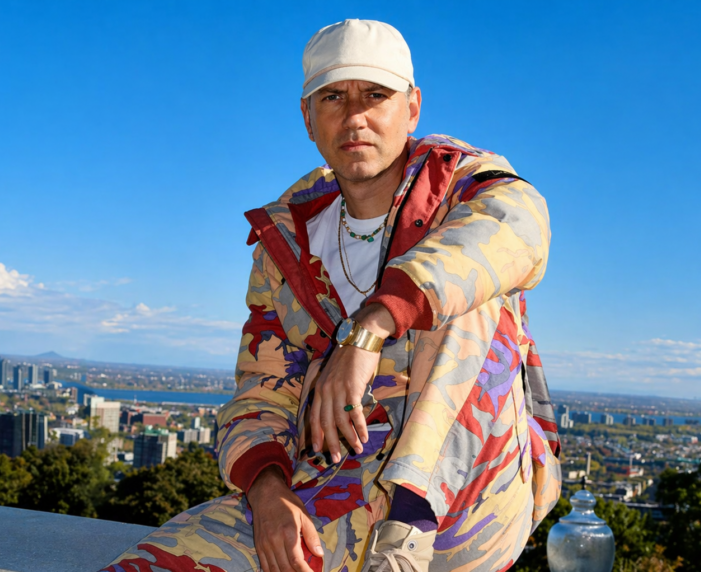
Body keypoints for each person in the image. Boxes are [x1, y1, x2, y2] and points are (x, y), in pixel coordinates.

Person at [101, 19, 561, 572]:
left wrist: (370, 328)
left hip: (469, 509)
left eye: (375, 95)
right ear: (308, 118)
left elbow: (521, 228)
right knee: (152, 563)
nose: (355, 116)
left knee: (466, 287)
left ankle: (408, 525)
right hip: (337, 493)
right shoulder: (286, 244)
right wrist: (268, 494)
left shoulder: (465, 188)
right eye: (334, 97)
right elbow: (260, 394)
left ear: (412, 108)